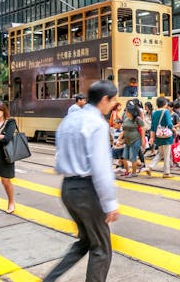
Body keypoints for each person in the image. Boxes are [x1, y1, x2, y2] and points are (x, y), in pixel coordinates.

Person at [43, 81, 119, 282]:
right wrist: (110, 202)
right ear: (105, 99)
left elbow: (59, 158)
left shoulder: (69, 121)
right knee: (101, 248)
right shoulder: (97, 124)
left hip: (68, 188)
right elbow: (101, 166)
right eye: (113, 101)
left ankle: (49, 279)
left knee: (85, 241)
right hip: (87, 191)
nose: (113, 106)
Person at [115, 103, 147, 177]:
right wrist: (119, 140)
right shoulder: (126, 119)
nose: (125, 112)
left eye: (127, 111)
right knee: (124, 156)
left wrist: (143, 140)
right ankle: (128, 170)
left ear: (131, 112)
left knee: (133, 157)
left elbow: (143, 129)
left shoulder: (138, 119)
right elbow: (123, 131)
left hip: (135, 140)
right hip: (127, 141)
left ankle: (134, 173)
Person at [149, 96, 175, 178]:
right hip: (166, 136)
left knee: (161, 153)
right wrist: (174, 130)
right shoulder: (166, 112)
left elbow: (152, 126)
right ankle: (166, 172)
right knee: (166, 155)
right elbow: (169, 123)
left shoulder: (154, 113)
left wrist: (152, 138)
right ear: (165, 104)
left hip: (158, 136)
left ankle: (150, 166)